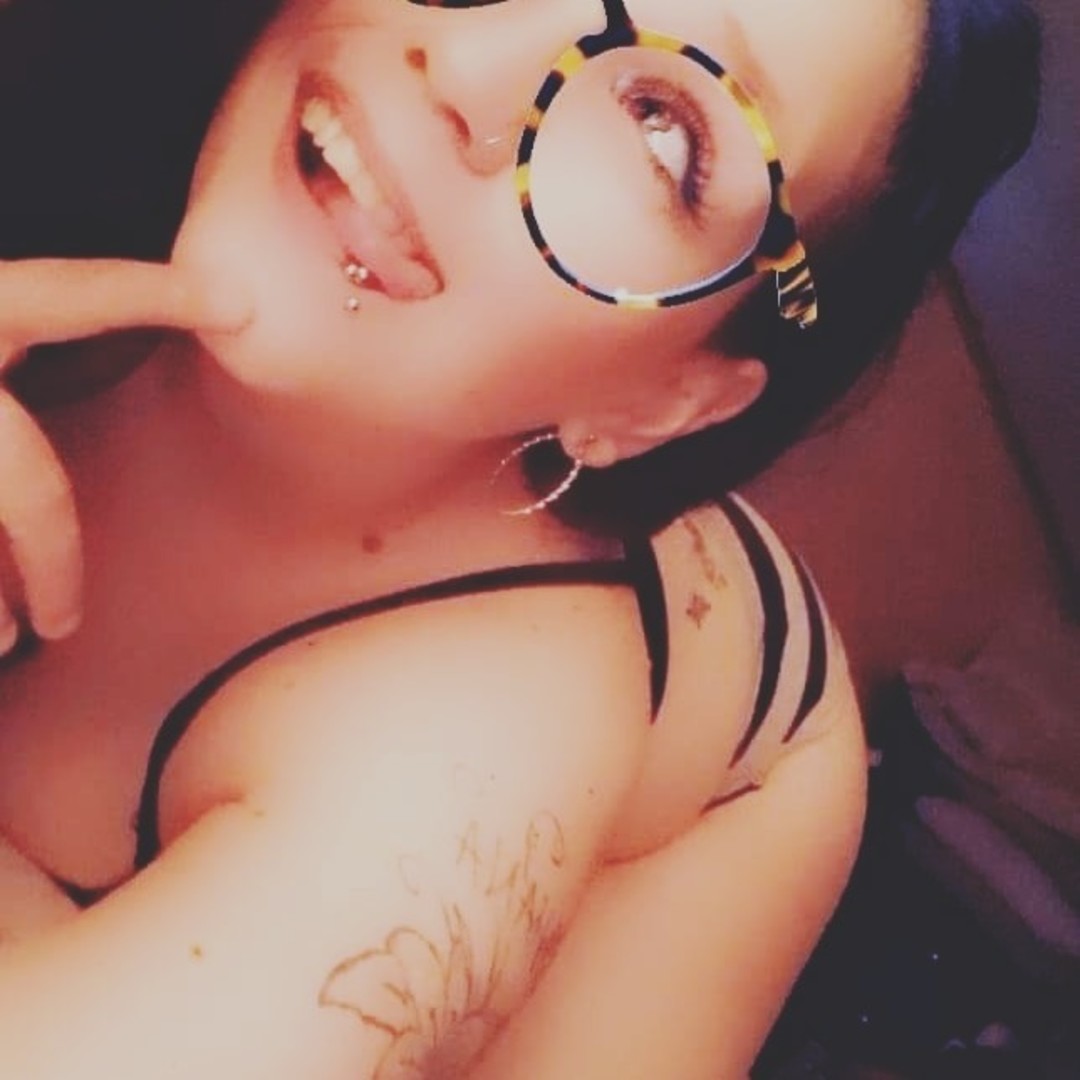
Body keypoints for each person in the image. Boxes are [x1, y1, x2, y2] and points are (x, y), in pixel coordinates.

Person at [0, 0, 1040, 1076]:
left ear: (657, 400)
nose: (460, 59)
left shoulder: (462, 750)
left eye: (662, 127)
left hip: (741, 753)